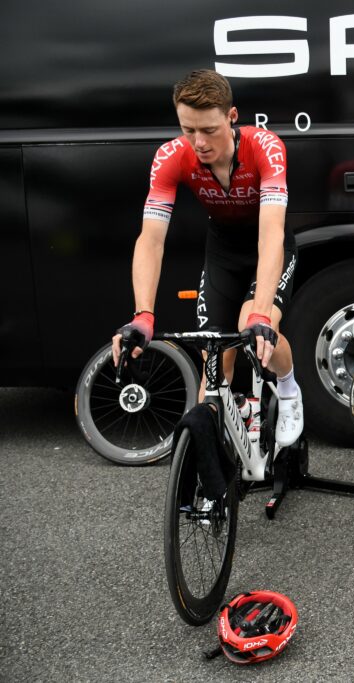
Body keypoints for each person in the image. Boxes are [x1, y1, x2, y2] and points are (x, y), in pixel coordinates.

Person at [111, 69, 303, 446]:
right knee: (214, 360)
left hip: (268, 245)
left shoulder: (265, 147)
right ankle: (212, 456)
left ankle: (288, 388)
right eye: (188, 130)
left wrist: (261, 315)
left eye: (209, 130)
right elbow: (151, 240)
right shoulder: (171, 156)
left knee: (252, 329)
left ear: (232, 117)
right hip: (222, 251)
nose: (198, 142)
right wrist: (143, 314)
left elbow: (271, 235)